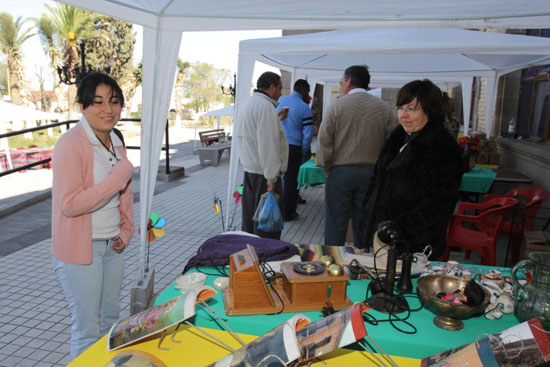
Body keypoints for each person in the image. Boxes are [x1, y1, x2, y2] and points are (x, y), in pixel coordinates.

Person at [51, 72, 134, 359]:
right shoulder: (70, 143)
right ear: (83, 106)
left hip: (113, 245)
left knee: (110, 322)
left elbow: (124, 195)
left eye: (114, 101)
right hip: (81, 249)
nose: (108, 110)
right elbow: (69, 204)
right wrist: (115, 179)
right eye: (97, 102)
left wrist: (126, 230)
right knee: (87, 329)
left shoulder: (115, 139)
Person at [360, 79, 463, 258]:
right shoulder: (397, 138)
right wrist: (367, 215)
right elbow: (376, 180)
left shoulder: (443, 148)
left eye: (411, 109)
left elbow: (437, 207)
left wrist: (401, 239)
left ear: (429, 110)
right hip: (380, 238)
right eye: (400, 108)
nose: (403, 115)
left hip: (410, 248)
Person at [317, 65, 397, 247]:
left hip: (340, 172)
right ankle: (362, 264)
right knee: (365, 223)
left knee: (336, 223)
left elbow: (324, 141)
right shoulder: (383, 108)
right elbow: (392, 144)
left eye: (342, 81)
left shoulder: (337, 106)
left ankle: (333, 263)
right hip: (371, 173)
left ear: (349, 81)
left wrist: (326, 168)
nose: (342, 85)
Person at [236, 71, 289, 239]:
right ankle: (265, 258)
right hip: (264, 175)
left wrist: (277, 118)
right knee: (266, 225)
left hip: (251, 171)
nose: (281, 93)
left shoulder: (249, 103)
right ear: (271, 87)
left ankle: (252, 257)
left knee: (251, 222)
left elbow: (255, 135)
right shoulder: (265, 107)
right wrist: (272, 178)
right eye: (279, 88)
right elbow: (268, 145)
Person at [276, 79, 314, 221]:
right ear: (303, 91)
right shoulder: (304, 107)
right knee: (291, 180)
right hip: (294, 147)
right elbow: (308, 133)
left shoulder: (279, 101)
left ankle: (274, 208)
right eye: (308, 92)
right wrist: (304, 150)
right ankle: (288, 212)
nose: (308, 95)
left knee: (277, 178)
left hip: (278, 145)